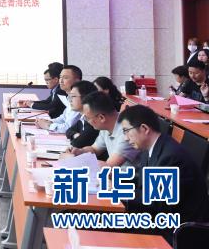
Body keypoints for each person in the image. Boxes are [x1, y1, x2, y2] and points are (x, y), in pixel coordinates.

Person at [119, 104, 209, 240]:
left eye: (126, 131)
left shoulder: (171, 157)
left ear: (144, 129)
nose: (125, 138)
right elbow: (143, 179)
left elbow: (156, 201)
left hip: (177, 230)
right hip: (158, 217)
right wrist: (116, 180)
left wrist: (120, 191)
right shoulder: (152, 147)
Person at [69, 92, 141, 168]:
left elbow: (108, 166)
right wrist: (80, 151)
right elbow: (95, 149)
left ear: (101, 118)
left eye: (87, 118)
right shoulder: (107, 126)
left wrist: (73, 162)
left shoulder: (127, 132)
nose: (87, 121)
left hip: (128, 175)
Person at [35, 65, 82, 132]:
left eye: (65, 78)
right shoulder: (69, 97)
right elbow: (63, 118)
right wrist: (47, 121)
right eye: (60, 77)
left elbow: (68, 128)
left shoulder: (79, 99)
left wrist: (48, 126)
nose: (61, 81)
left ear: (77, 81)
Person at [64, 81, 100, 148]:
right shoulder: (83, 118)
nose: (70, 100)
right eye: (70, 96)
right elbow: (68, 131)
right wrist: (75, 135)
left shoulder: (93, 121)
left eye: (73, 96)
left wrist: (76, 137)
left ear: (85, 97)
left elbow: (77, 143)